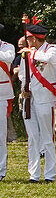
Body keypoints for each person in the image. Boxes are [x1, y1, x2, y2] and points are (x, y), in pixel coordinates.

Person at [17, 18, 56, 183]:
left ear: (35, 38)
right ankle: (34, 174)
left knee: (47, 137)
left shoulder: (52, 49)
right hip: (30, 99)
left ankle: (50, 174)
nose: (27, 42)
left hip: (45, 98)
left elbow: (48, 59)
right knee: (33, 137)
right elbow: (22, 74)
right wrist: (24, 89)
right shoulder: (26, 53)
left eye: (29, 38)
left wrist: (30, 52)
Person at [0, 23, 15, 181]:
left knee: (0, 134)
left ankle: (1, 170)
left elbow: (9, 58)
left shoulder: (7, 47)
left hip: (1, 94)